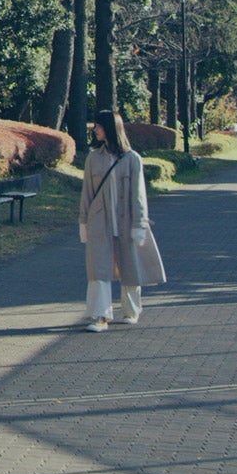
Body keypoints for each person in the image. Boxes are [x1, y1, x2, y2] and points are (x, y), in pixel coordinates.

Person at [79, 110, 166, 332]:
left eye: (98, 126)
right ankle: (99, 316)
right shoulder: (93, 158)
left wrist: (139, 224)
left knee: (130, 267)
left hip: (126, 221)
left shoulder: (132, 159)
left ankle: (131, 310)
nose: (95, 130)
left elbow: (139, 196)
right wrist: (83, 222)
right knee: (98, 269)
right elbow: (87, 194)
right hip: (99, 222)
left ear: (109, 128)